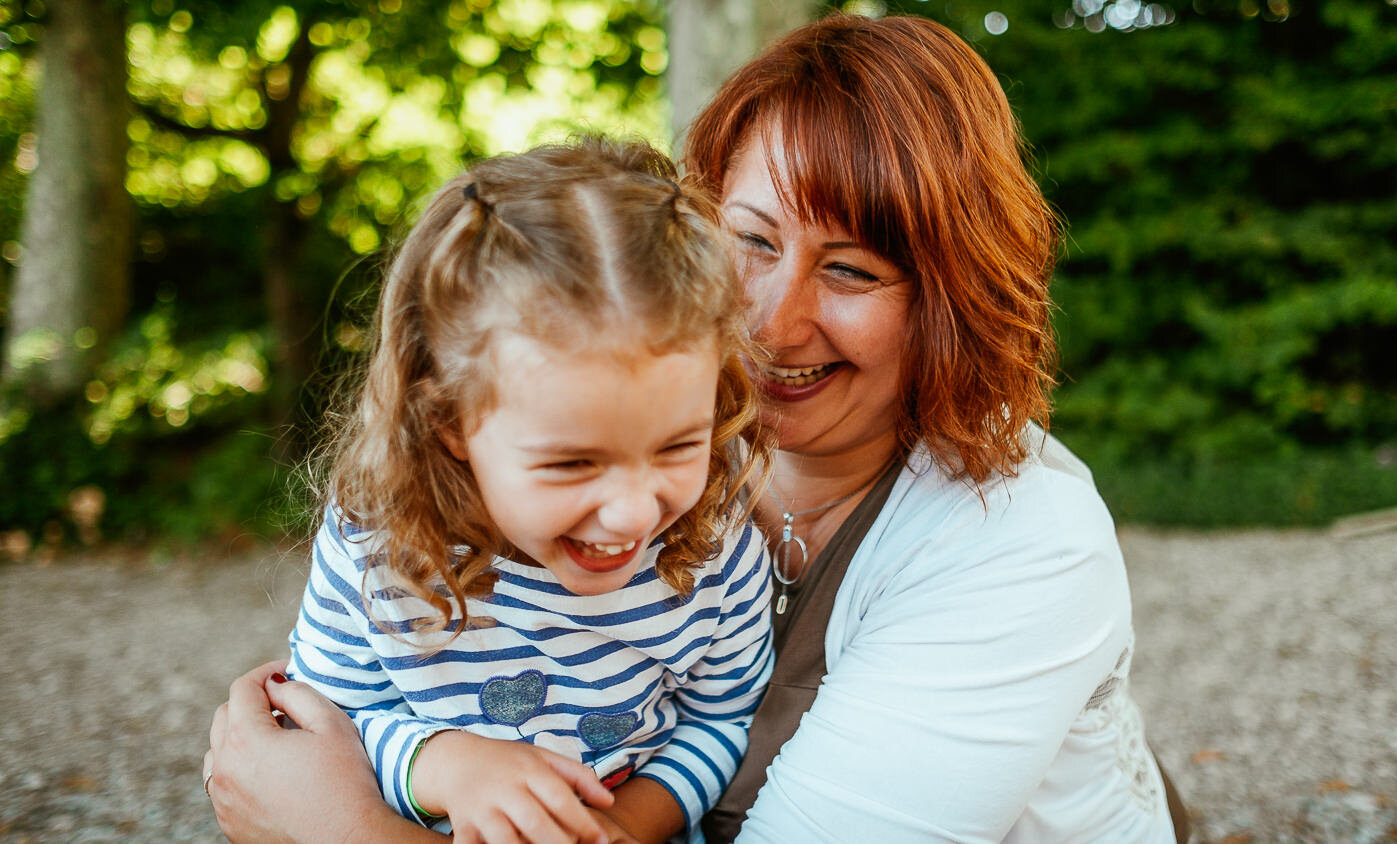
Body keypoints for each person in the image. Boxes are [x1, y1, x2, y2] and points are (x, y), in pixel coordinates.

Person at [206, 14, 1184, 842]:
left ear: (949, 300)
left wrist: (337, 826)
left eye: (849, 270)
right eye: (751, 239)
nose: (769, 319)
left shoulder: (1020, 535)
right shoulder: (650, 448)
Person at [245, 138, 777, 844]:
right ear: (450, 424)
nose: (632, 510)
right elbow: (320, 727)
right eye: (571, 464)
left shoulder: (717, 541)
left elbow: (723, 718)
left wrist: (621, 828)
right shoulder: (377, 547)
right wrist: (449, 768)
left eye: (679, 446)